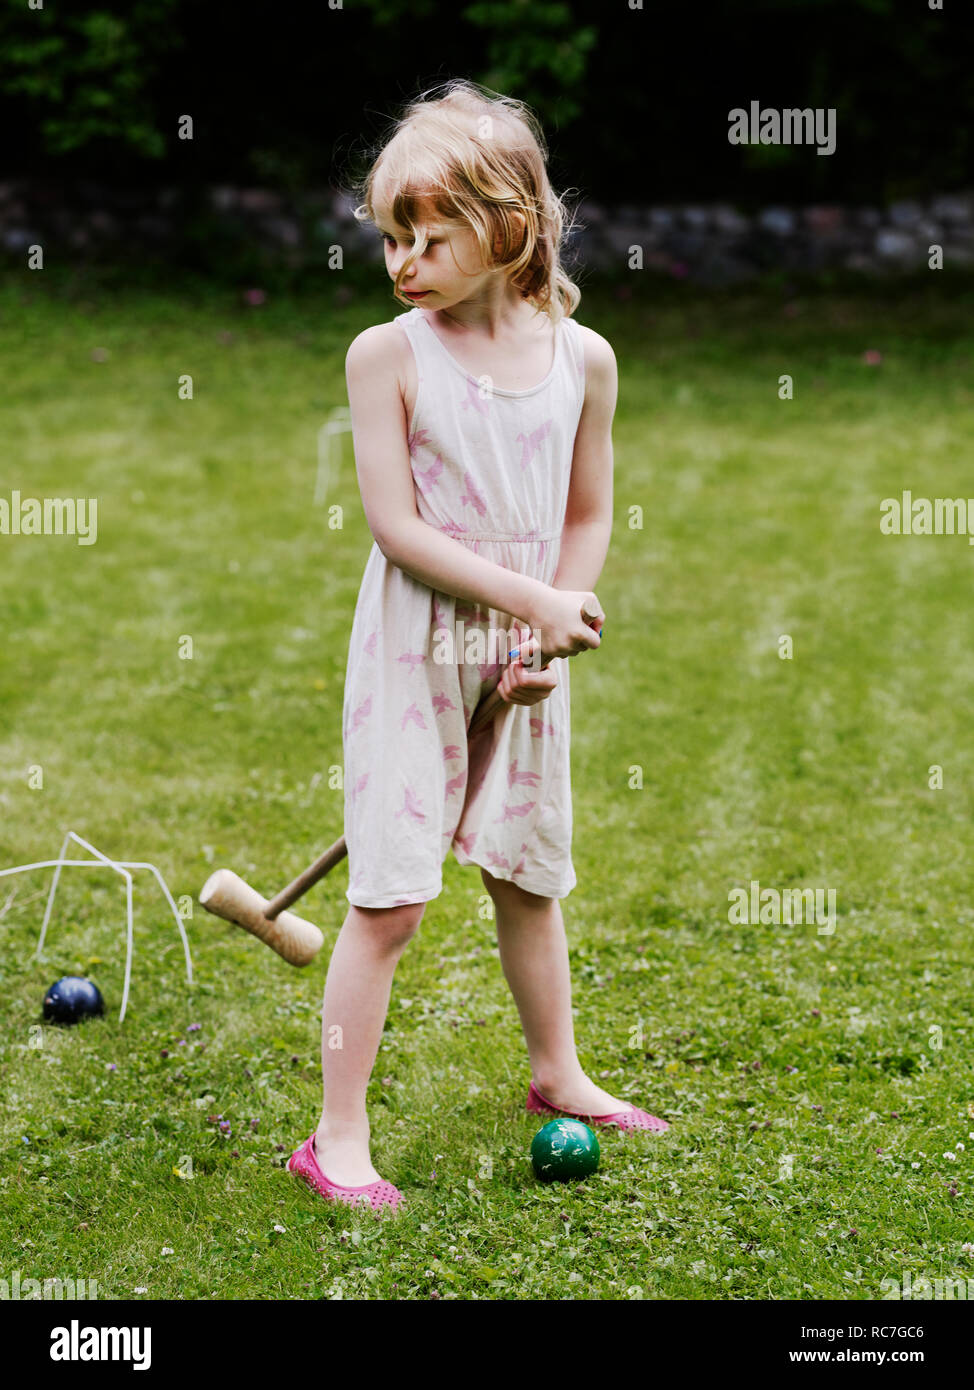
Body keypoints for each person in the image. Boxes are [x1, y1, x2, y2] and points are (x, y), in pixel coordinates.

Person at [288, 78, 669, 1215]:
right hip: (416, 650)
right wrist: (526, 600)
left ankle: (557, 1072)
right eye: (390, 236)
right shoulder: (386, 355)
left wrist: (559, 611)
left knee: (527, 871)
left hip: (526, 653)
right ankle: (335, 1136)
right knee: (391, 898)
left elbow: (589, 508)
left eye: (427, 233)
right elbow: (398, 531)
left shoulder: (581, 359)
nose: (401, 258)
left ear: (507, 225)